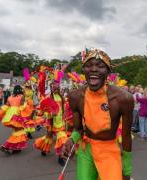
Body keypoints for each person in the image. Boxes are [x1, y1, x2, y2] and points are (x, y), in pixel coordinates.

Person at [62, 49, 134, 180]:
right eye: (89, 65)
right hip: (86, 152)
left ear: (108, 71)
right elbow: (78, 129)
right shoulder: (75, 96)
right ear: (83, 70)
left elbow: (126, 135)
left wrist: (127, 169)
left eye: (100, 66)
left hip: (110, 151)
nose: (94, 69)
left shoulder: (124, 99)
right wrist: (71, 140)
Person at [34, 82, 67, 166]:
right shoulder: (48, 97)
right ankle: (43, 149)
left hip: (60, 122)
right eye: (53, 87)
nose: (55, 89)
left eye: (56, 87)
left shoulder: (61, 97)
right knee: (49, 137)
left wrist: (64, 117)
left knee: (62, 138)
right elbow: (43, 110)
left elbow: (64, 109)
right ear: (51, 88)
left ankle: (61, 157)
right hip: (51, 122)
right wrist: (50, 114)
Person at [0, 85, 28, 154]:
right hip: (17, 116)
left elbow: (6, 106)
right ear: (20, 90)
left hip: (10, 117)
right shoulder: (21, 97)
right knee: (19, 131)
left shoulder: (10, 97)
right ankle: (5, 146)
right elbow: (22, 107)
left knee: (16, 131)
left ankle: (16, 148)